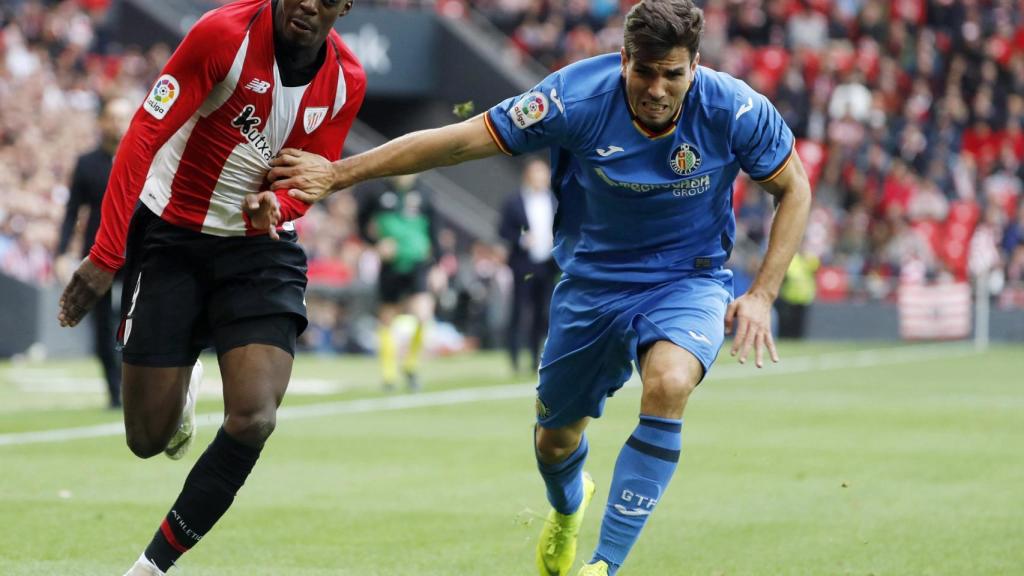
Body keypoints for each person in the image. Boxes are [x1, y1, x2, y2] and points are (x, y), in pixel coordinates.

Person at [268, 1, 811, 574]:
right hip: (593, 283)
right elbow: (457, 141)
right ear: (623, 58)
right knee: (554, 442)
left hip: (687, 278)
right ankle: (568, 508)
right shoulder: (572, 99)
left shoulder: (737, 109)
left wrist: (762, 294)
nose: (656, 88)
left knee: (670, 382)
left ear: (694, 66)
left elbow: (793, 188)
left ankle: (604, 564)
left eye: (672, 74)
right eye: (644, 71)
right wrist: (338, 172)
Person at [56, 0, 366, 573]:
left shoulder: (346, 80)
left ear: (345, 6)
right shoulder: (222, 35)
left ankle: (150, 567)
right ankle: (185, 381)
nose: (309, 5)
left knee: (255, 416)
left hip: (258, 247)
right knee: (147, 439)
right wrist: (106, 253)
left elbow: (313, 175)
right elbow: (144, 134)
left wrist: (284, 200)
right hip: (170, 235)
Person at [55, 97, 134, 409]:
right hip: (100, 255)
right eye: (113, 118)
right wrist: (62, 251)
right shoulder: (87, 163)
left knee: (135, 320)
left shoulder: (142, 158)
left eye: (124, 117)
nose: (118, 124)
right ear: (102, 122)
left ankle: (135, 387)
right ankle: (114, 393)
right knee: (100, 325)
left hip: (137, 253)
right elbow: (73, 210)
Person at [357, 173, 437, 391]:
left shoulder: (425, 194)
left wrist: (436, 266)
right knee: (387, 317)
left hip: (417, 262)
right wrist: (376, 243)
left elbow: (435, 232)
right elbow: (361, 223)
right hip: (391, 265)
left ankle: (410, 366)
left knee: (423, 314)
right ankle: (389, 376)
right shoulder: (377, 192)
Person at [500, 158, 558, 373]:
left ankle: (535, 358)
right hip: (523, 265)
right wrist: (524, 239)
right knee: (519, 310)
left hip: (547, 264)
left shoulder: (555, 200)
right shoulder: (513, 201)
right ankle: (514, 359)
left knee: (543, 311)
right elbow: (503, 230)